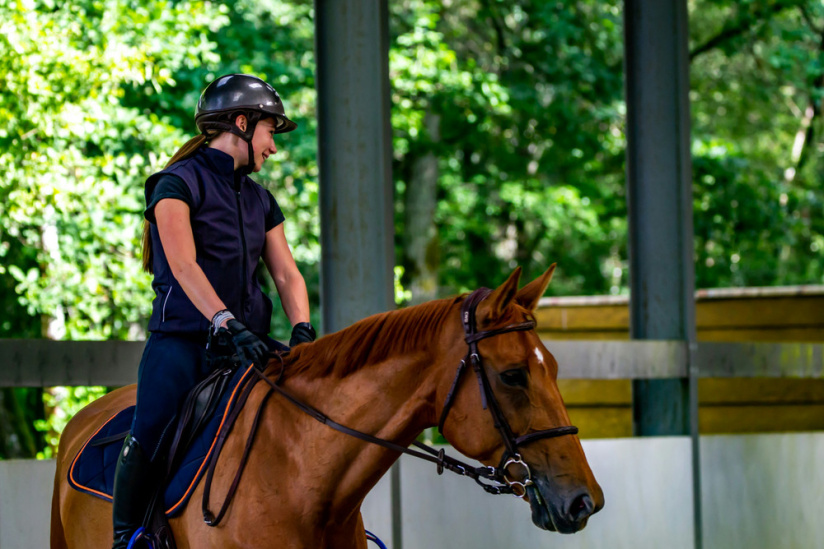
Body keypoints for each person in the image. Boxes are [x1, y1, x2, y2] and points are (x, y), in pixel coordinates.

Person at [111, 74, 316, 549]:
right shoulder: (174, 184)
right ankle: (127, 538)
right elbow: (183, 265)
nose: (273, 147)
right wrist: (224, 321)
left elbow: (286, 274)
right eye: (270, 132)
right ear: (242, 124)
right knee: (152, 425)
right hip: (183, 343)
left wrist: (303, 328)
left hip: (247, 347)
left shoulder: (262, 200)